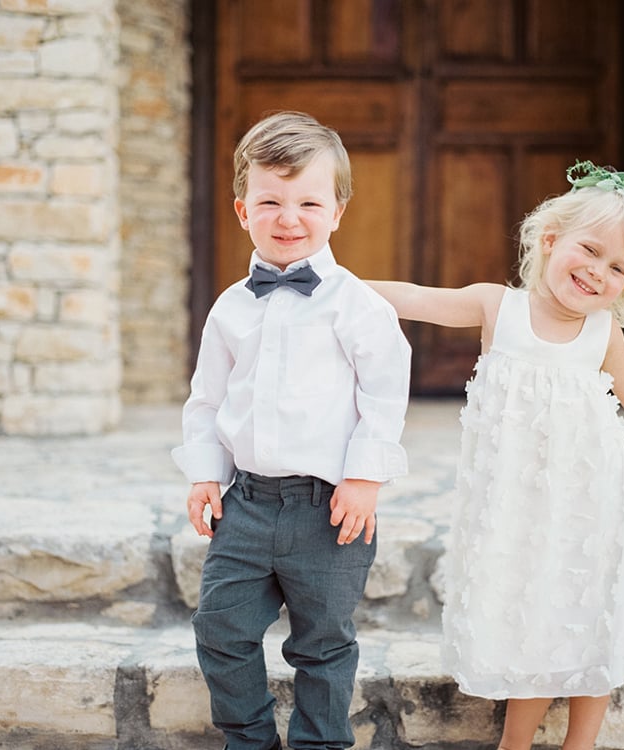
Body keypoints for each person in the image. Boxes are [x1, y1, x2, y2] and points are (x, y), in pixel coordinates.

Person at [368, 160, 624, 750]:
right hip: (519, 504)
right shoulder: (500, 308)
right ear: (550, 241)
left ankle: (582, 742)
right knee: (537, 618)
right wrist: (341, 286)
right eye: (590, 250)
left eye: (618, 267)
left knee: (592, 611)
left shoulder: (603, 332)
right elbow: (418, 298)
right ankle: (514, 742)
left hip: (591, 501)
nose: (598, 271)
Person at [172, 111, 411, 750]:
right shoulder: (229, 307)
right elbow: (207, 399)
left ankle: (320, 743)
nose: (288, 217)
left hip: (329, 508)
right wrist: (205, 472)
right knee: (220, 628)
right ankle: (248, 739)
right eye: (270, 200)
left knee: (323, 641)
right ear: (241, 209)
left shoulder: (359, 305)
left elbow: (384, 397)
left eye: (308, 201)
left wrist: (364, 478)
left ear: (337, 210)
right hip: (246, 503)